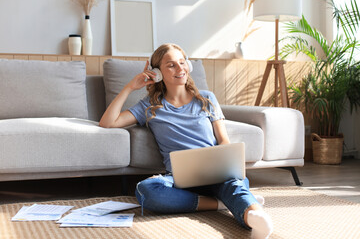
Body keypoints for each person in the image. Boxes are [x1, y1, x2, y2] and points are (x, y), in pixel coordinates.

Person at [99, 43, 273, 239]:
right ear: (157, 72)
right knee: (145, 190)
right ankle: (222, 203)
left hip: (216, 174)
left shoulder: (206, 99)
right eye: (171, 65)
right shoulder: (150, 106)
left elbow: (223, 139)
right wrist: (130, 87)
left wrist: (227, 164)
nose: (180, 68)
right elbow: (108, 122)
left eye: (182, 63)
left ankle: (256, 217)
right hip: (177, 181)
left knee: (236, 183)